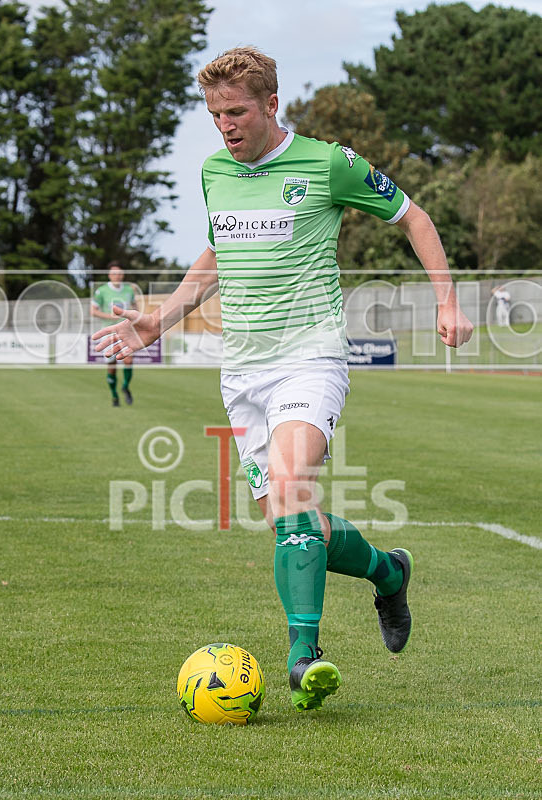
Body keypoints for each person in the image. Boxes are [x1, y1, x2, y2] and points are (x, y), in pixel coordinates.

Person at [93, 47, 474, 712]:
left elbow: (413, 215)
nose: (225, 126)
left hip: (310, 355)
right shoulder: (216, 171)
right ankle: (388, 572)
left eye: (236, 111)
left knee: (295, 487)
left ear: (271, 105)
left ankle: (304, 657)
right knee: (291, 522)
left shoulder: (329, 163)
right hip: (242, 371)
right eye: (215, 115)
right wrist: (159, 320)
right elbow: (216, 253)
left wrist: (446, 299)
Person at [91, 262, 136, 406]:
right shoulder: (102, 291)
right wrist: (109, 316)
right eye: (114, 273)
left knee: (128, 361)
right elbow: (93, 311)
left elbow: (135, 307)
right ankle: (114, 395)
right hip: (109, 332)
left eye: (120, 273)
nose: (117, 276)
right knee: (112, 366)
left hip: (126, 331)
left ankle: (125, 387)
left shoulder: (129, 290)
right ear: (109, 275)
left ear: (123, 275)